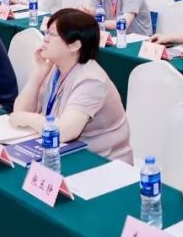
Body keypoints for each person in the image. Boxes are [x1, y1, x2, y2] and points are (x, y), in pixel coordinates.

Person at [8, 9, 132, 161]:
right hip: (65, 150)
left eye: (52, 34)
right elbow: (19, 112)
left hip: (101, 160)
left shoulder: (91, 80)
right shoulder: (56, 66)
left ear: (74, 45)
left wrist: (27, 118)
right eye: (46, 32)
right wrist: (37, 76)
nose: (45, 39)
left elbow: (64, 132)